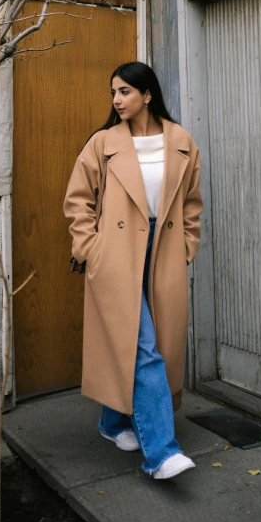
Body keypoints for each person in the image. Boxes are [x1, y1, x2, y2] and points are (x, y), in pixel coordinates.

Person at [63, 61, 203, 479]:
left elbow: (192, 203)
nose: (116, 100)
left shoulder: (181, 142)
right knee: (144, 347)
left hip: (163, 250)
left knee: (144, 338)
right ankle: (161, 452)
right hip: (117, 254)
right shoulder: (102, 143)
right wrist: (91, 250)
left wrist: (186, 246)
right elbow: (78, 200)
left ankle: (112, 422)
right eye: (113, 93)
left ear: (147, 94)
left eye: (124, 91)